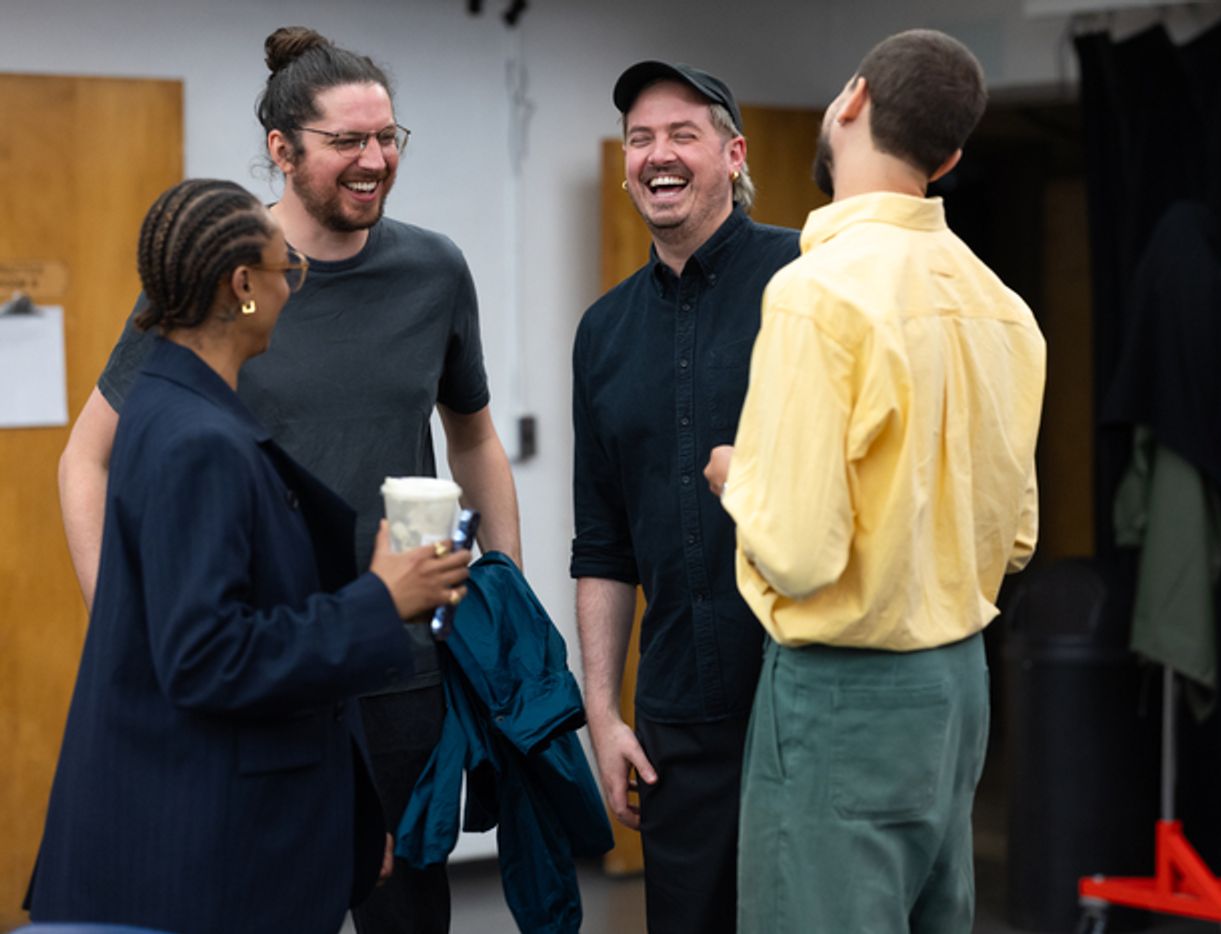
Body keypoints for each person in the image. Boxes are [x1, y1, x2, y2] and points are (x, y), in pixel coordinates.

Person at [54, 27, 520, 934]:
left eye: (388, 138)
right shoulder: (221, 276)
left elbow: (475, 442)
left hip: (401, 667)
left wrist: (499, 598)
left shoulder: (434, 270)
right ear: (282, 149)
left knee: (406, 911)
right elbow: (86, 457)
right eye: (349, 142)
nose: (375, 160)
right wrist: (132, 630)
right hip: (256, 665)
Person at [703, 30, 1047, 934]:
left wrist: (742, 478)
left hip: (842, 697)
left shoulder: (817, 294)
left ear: (850, 99)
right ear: (951, 156)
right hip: (959, 692)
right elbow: (1016, 540)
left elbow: (804, 551)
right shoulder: (1005, 308)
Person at [570, 61, 799, 933]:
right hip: (676, 724)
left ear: (733, 155)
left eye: (682, 135)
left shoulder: (805, 280)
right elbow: (602, 544)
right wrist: (603, 712)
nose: (657, 156)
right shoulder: (604, 331)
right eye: (639, 139)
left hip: (802, 696)